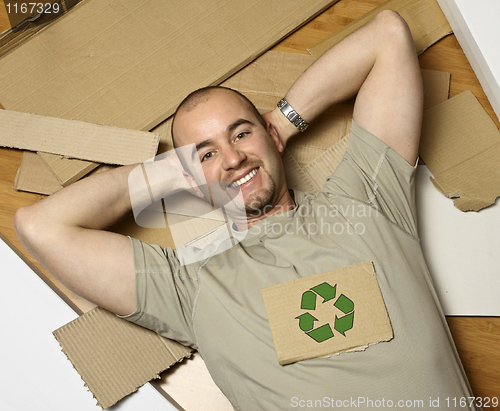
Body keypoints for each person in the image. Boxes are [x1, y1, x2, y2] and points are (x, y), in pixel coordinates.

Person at [15, 10, 479, 410]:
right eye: (207, 153)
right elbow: (41, 226)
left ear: (270, 139)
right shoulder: (191, 286)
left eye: (241, 134)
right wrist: (178, 171)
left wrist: (278, 122)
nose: (233, 157)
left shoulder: (366, 199)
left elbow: (387, 35)